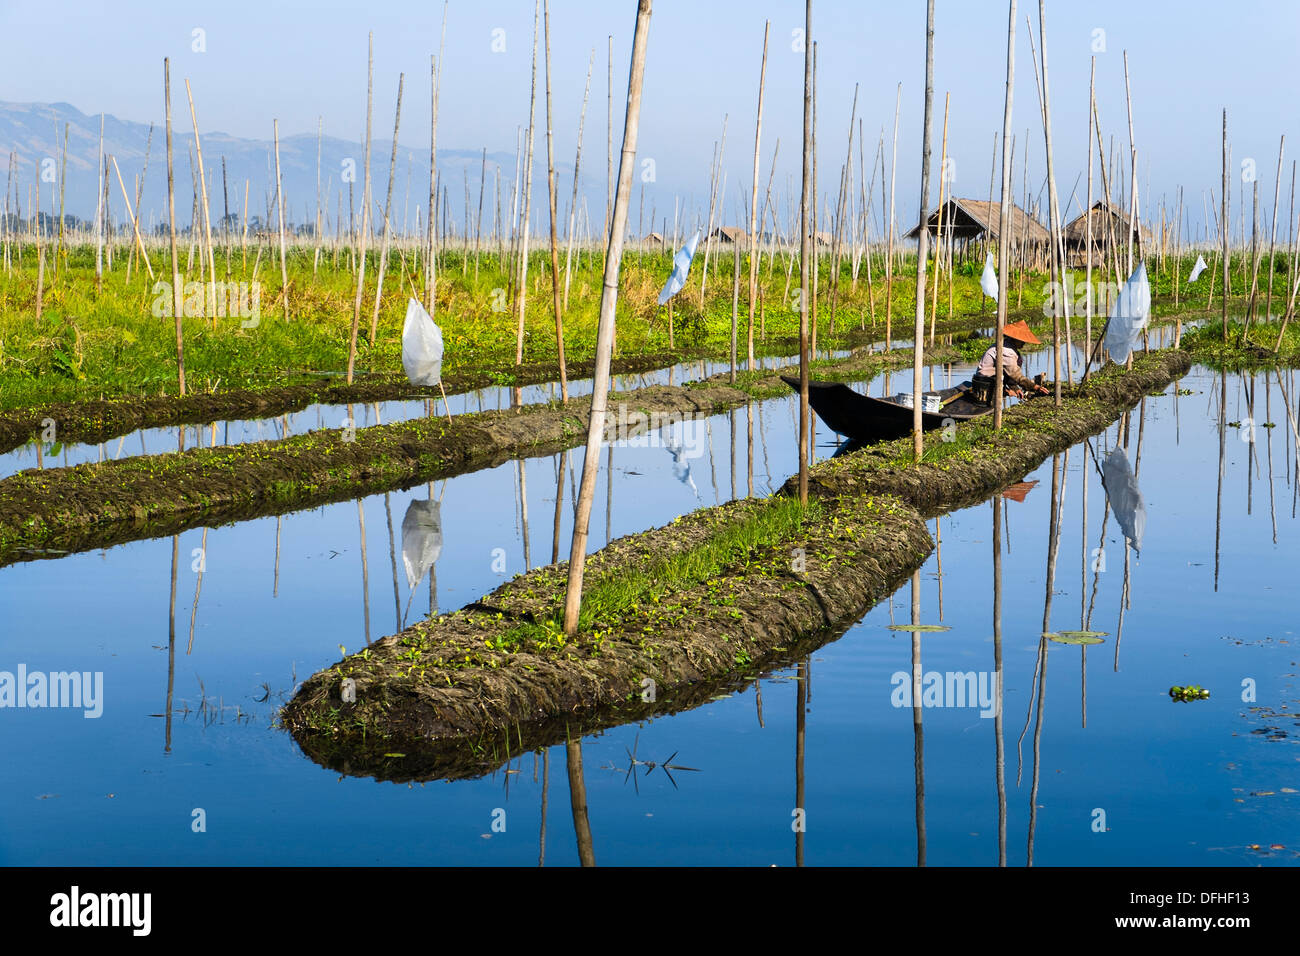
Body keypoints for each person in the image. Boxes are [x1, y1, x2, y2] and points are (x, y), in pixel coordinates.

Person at [969, 320, 1050, 404]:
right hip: (985, 383)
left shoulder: (1008, 346)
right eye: (1021, 341)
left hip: (992, 380)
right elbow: (1016, 375)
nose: (1024, 343)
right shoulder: (1006, 350)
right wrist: (1035, 387)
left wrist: (1015, 388)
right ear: (1015, 339)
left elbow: (1007, 372)